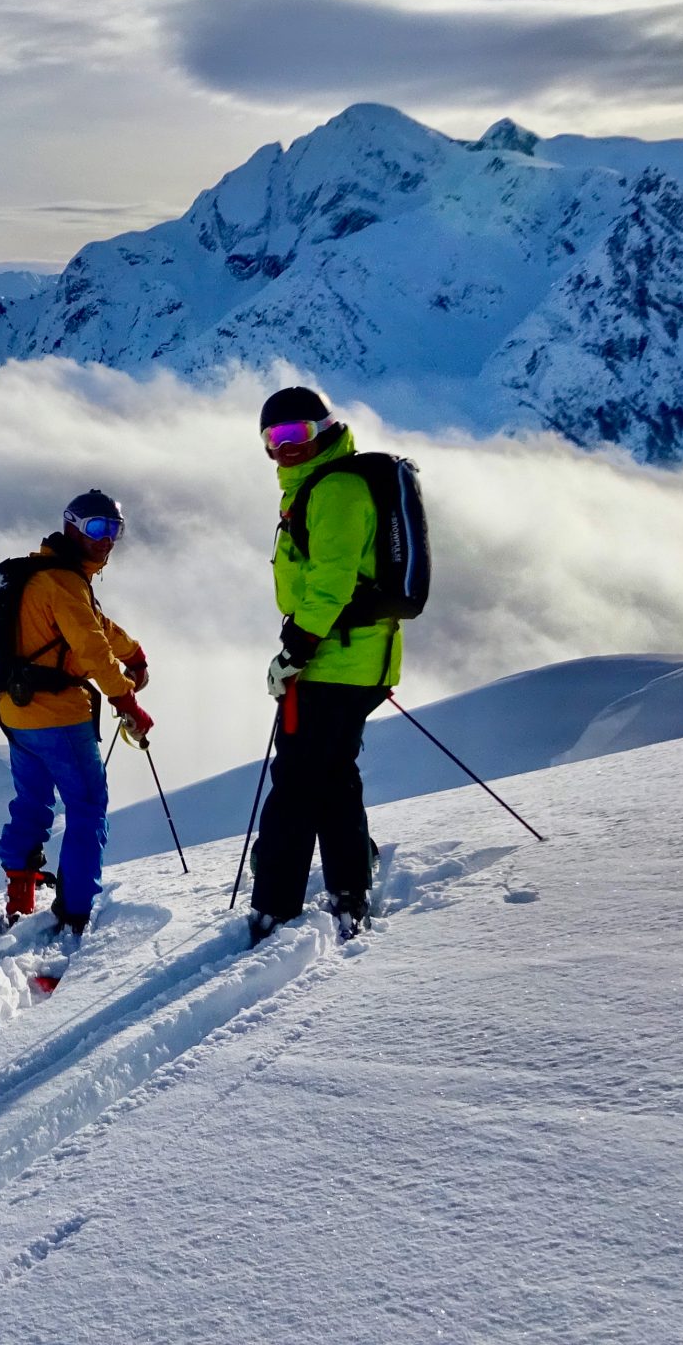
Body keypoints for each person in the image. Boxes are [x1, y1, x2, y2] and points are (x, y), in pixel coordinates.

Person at [250, 386, 399, 945]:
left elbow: (331, 581)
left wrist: (295, 650)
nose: (285, 448)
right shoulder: (318, 485)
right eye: (273, 440)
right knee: (333, 777)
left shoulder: (335, 489)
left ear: (325, 430)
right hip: (347, 658)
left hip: (334, 662)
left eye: (296, 435)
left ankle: (275, 907)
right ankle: (348, 890)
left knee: (295, 783)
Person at [0, 490, 152, 935]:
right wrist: (127, 702)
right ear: (71, 527)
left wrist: (134, 652)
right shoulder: (64, 583)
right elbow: (92, 649)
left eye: (114, 530)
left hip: (17, 712)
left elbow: (95, 627)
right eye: (97, 529)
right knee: (87, 807)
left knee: (32, 802)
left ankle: (19, 898)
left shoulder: (43, 574)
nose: (106, 540)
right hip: (59, 717)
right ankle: (76, 913)